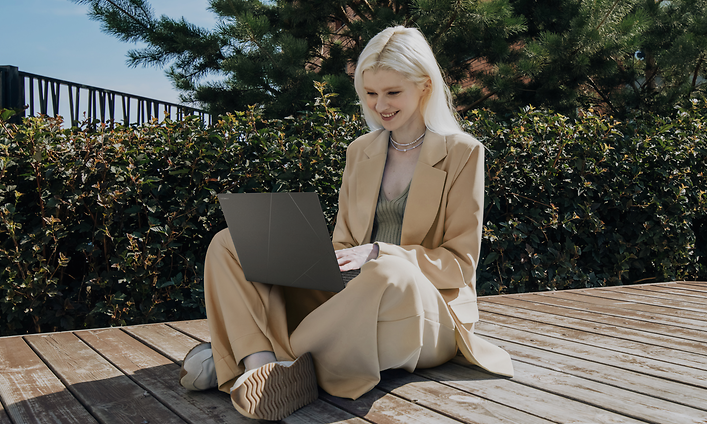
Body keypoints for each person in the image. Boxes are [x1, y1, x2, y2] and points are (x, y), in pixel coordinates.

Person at [178, 25, 514, 421]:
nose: (379, 106)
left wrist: (378, 251)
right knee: (232, 240)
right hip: (349, 299)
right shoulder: (361, 151)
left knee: (387, 270)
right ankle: (260, 366)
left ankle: (242, 356)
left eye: (392, 93)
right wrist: (311, 258)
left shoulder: (463, 152)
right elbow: (342, 246)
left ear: (424, 86)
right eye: (370, 93)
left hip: (425, 310)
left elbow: (459, 265)